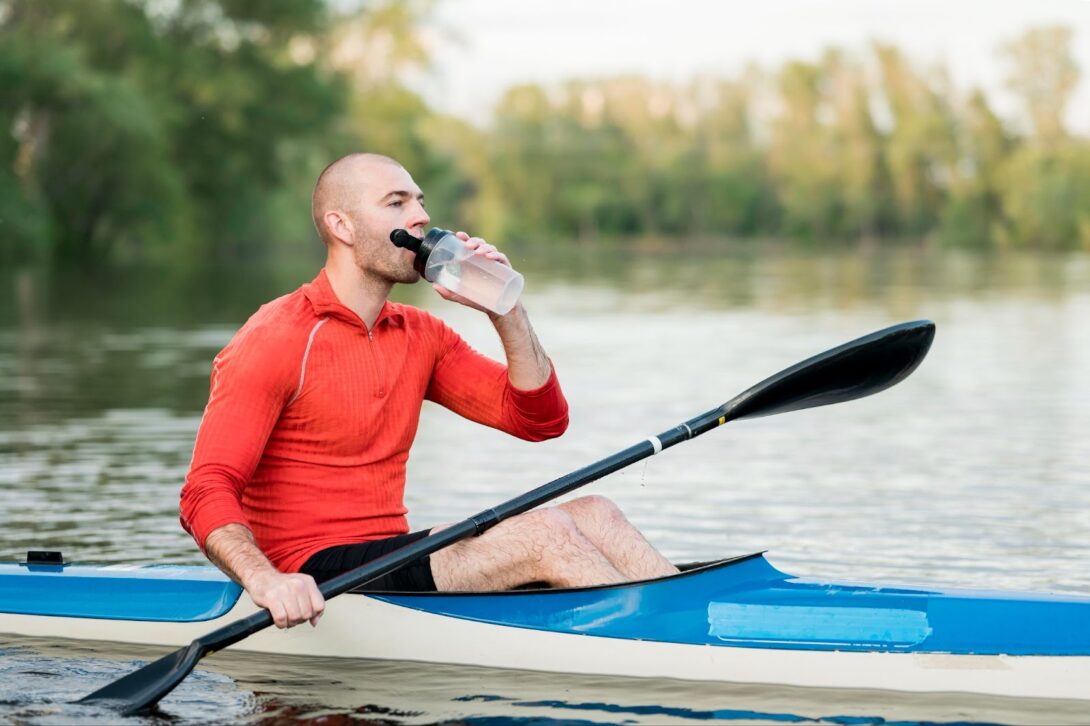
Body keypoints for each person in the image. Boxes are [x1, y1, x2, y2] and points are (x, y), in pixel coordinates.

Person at [180, 153, 678, 629]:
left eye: (419, 201)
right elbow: (205, 490)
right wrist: (267, 582)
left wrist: (505, 309)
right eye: (396, 203)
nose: (420, 216)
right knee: (545, 535)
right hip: (309, 574)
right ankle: (666, 653)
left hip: (392, 554)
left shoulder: (421, 334)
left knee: (598, 514)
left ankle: (688, 623)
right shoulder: (278, 337)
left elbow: (541, 421)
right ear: (342, 226)